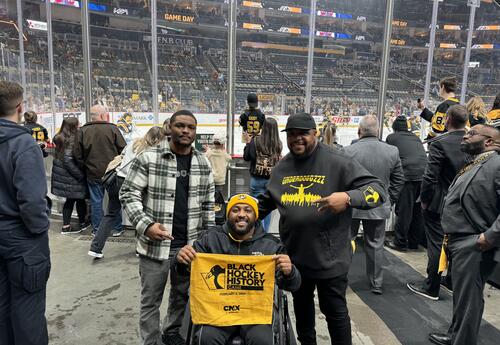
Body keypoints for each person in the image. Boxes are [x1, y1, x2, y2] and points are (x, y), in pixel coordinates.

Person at [257, 112, 386, 345]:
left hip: (331, 258)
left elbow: (378, 191)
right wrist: (239, 213)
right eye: (292, 134)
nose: (297, 139)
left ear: (314, 133)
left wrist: (348, 197)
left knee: (335, 315)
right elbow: (264, 203)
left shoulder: (338, 160)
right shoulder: (281, 168)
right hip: (295, 259)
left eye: (303, 134)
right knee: (303, 318)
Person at [120, 110, 215, 345]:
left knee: (181, 296)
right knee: (151, 299)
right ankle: (151, 341)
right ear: (170, 128)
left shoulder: (203, 163)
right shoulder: (149, 158)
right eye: (180, 126)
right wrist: (146, 225)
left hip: (189, 246)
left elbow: (208, 206)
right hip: (155, 245)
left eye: (190, 127)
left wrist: (206, 242)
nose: (185, 131)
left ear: (195, 131)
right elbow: (128, 194)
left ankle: (172, 333)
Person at [176, 193, 302, 345]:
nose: (241, 214)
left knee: (264, 341)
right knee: (205, 339)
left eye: (247, 210)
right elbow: (184, 271)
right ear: (228, 214)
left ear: (255, 216)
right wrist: (182, 259)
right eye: (235, 210)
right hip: (216, 311)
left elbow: (293, 285)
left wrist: (290, 272)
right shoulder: (210, 239)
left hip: (254, 315)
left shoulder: (271, 245)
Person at [428, 124, 500, 345]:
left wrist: (489, 236)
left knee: (468, 299)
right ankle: (456, 335)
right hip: (458, 239)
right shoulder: (476, 162)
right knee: (461, 296)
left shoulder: (497, 163)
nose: (465, 136)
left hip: (474, 242)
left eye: (472, 134)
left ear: (488, 141)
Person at [0, 81, 51, 345]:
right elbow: (32, 202)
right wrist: (38, 231)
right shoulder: (23, 144)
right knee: (27, 310)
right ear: (20, 107)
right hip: (21, 238)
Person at [407, 105, 468, 300]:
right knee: (454, 245)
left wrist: (424, 200)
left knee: (436, 245)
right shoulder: (473, 140)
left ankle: (431, 286)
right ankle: (450, 282)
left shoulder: (440, 143)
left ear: (448, 119)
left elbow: (430, 177)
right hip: (463, 203)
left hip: (439, 203)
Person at [345, 115, 404, 295]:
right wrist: (387, 199)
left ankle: (340, 279)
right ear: (378, 131)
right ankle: (376, 283)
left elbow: (341, 180)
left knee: (347, 243)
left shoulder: (348, 151)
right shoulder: (392, 151)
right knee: (376, 245)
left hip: (352, 206)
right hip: (378, 207)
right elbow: (399, 180)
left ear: (359, 130)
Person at [88, 126, 165, 258]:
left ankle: (96, 248)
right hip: (135, 183)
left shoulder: (133, 143)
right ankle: (139, 248)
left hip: (118, 180)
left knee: (110, 214)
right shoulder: (152, 151)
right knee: (141, 214)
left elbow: (122, 157)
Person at [74, 104, 126, 235]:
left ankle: (97, 229)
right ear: (103, 115)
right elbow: (123, 150)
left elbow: (77, 154)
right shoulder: (113, 129)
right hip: (112, 172)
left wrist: (85, 166)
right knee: (114, 200)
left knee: (96, 202)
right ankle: (117, 228)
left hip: (92, 172)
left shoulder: (82, 131)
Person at [386, 115, 428, 251]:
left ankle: (400, 242)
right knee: (417, 210)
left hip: (408, 174)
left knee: (405, 210)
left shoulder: (392, 138)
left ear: (394, 129)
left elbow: (390, 157)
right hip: (424, 174)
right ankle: (414, 242)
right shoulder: (415, 137)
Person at [51, 117, 89, 234]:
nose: (80, 125)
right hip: (71, 175)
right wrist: (79, 175)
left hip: (63, 175)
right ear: (73, 126)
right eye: (78, 124)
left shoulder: (59, 137)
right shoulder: (72, 139)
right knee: (79, 199)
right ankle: (81, 223)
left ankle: (66, 226)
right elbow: (67, 160)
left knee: (70, 200)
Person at [244, 117, 282, 232]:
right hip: (271, 180)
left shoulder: (255, 140)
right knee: (267, 207)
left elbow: (247, 157)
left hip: (257, 179)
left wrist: (248, 143)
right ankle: (264, 233)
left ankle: (255, 232)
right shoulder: (278, 143)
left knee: (255, 208)